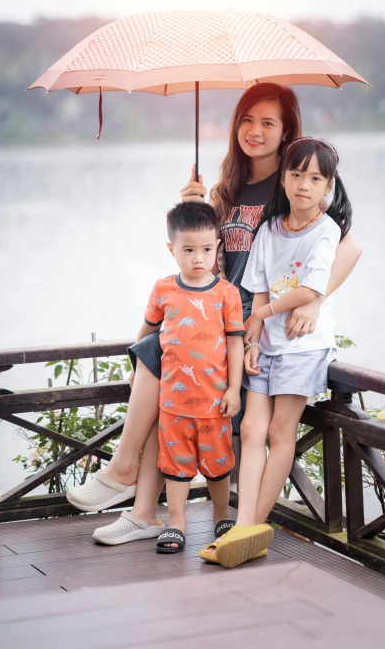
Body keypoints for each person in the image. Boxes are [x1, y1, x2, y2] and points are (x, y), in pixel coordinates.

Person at [66, 83, 362, 545]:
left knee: (160, 364)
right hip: (213, 311)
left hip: (246, 323)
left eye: (268, 123)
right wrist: (195, 207)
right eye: (247, 119)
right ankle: (142, 507)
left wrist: (314, 299)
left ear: (287, 133)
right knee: (161, 368)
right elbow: (203, 254)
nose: (254, 131)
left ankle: (133, 486)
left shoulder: (293, 185)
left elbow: (347, 245)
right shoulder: (229, 185)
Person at [199, 137, 352, 567]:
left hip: (304, 347)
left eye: (315, 178)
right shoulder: (269, 228)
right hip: (265, 346)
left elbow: (309, 289)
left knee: (280, 434)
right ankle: (243, 523)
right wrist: (251, 338)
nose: (304, 184)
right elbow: (260, 284)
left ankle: (251, 529)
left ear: (328, 186)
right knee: (251, 431)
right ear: (282, 178)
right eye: (296, 174)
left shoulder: (327, 230)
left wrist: (260, 314)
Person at [134, 201, 245, 553]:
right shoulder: (163, 289)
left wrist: (234, 390)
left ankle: (220, 515)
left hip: (216, 402)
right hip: (174, 402)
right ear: (172, 249)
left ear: (217, 247)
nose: (199, 258)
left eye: (207, 250)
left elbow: (235, 344)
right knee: (176, 464)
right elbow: (145, 335)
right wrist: (138, 373)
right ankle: (177, 522)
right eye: (188, 250)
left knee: (218, 464)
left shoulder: (226, 293)